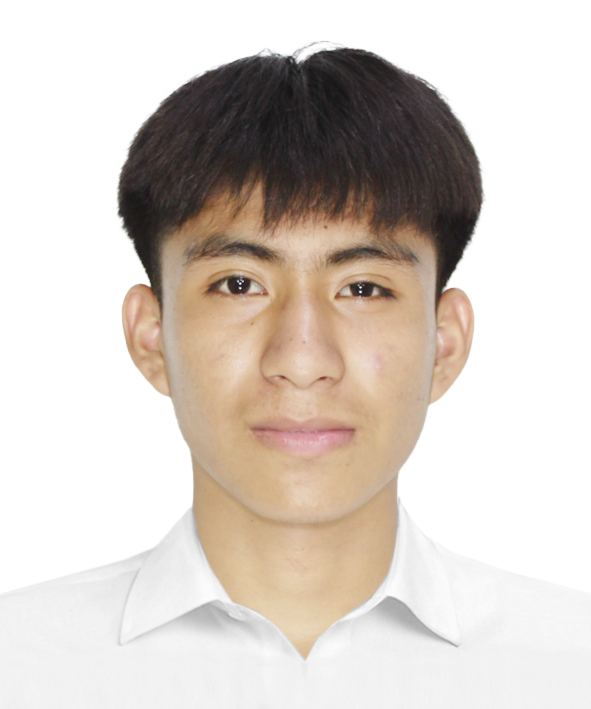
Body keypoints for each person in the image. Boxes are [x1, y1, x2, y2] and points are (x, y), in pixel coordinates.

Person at [1, 45, 590, 708]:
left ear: (444, 343)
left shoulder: (571, 669)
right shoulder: (19, 666)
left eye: (363, 288)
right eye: (239, 284)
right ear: (151, 336)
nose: (303, 360)